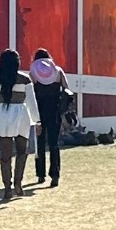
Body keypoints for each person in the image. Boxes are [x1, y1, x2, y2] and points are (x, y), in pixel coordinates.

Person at [0, 51, 40, 199]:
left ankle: (7, 187)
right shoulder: (25, 79)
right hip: (21, 115)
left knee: (5, 154)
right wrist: (37, 120)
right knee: (21, 151)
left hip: (3, 114)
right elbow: (31, 101)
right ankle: (18, 182)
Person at [28, 49, 70, 186]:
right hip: (54, 110)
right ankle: (55, 174)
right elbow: (67, 89)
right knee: (54, 143)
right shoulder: (58, 71)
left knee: (39, 143)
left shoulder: (33, 73)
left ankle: (40, 174)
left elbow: (30, 93)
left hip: (38, 111)